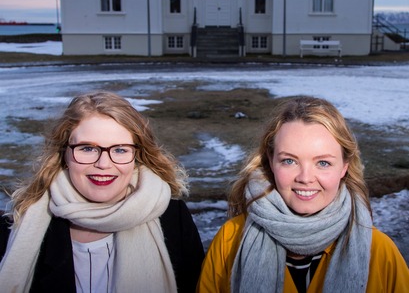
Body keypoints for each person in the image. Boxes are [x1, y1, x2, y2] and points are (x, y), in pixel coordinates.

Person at [196, 96, 409, 293]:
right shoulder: (230, 241)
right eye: (289, 160)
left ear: (344, 166)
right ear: (271, 161)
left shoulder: (379, 252)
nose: (305, 178)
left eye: (323, 163)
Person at [0, 91, 205, 293]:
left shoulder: (172, 217)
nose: (103, 164)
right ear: (64, 154)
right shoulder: (19, 225)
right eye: (87, 148)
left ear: (137, 156)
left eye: (120, 149)